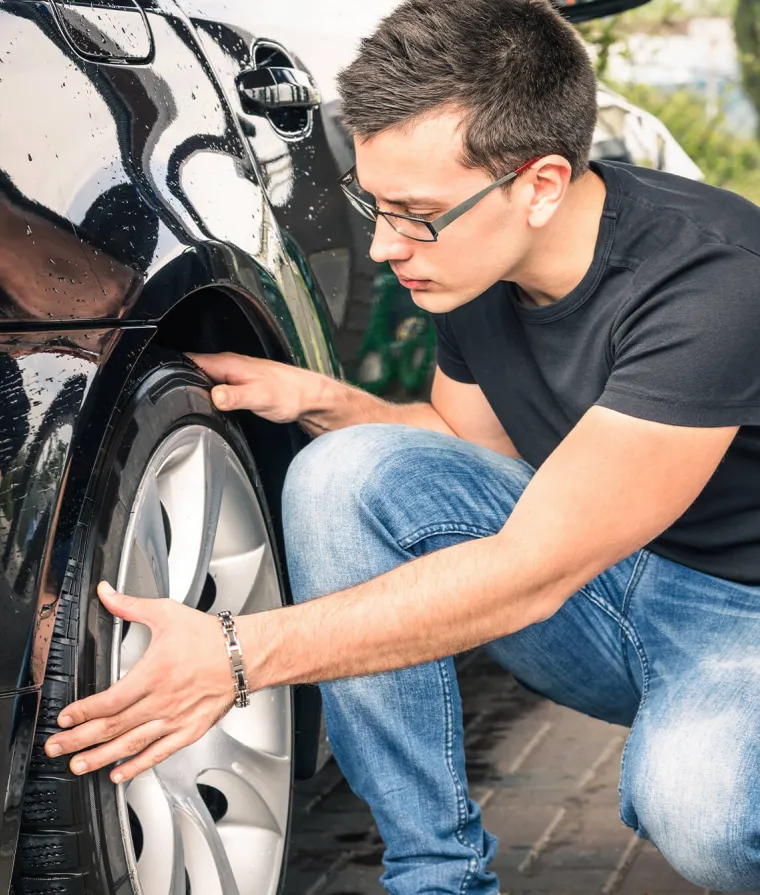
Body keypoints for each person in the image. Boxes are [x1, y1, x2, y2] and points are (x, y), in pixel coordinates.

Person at [44, 0, 760, 891]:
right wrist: (323, 402)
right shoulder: (480, 262)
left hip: (739, 618)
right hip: (610, 583)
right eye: (374, 205)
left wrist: (234, 653)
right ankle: (436, 878)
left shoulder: (714, 284)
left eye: (416, 213)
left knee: (703, 813)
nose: (387, 246)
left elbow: (533, 571)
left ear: (540, 184)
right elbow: (467, 448)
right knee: (343, 472)